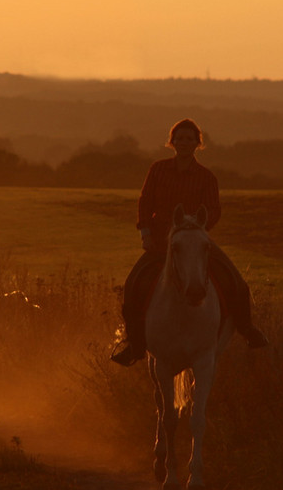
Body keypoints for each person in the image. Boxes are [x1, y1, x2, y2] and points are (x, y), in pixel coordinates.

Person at [110, 118, 268, 366]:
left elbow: (214, 210)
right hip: (161, 241)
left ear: (198, 144)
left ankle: (247, 330)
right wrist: (146, 234)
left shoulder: (207, 177)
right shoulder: (158, 169)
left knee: (236, 282)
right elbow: (145, 202)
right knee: (133, 285)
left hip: (194, 239)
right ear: (172, 143)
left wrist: (197, 230)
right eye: (179, 138)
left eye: (189, 139)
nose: (184, 143)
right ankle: (135, 344)